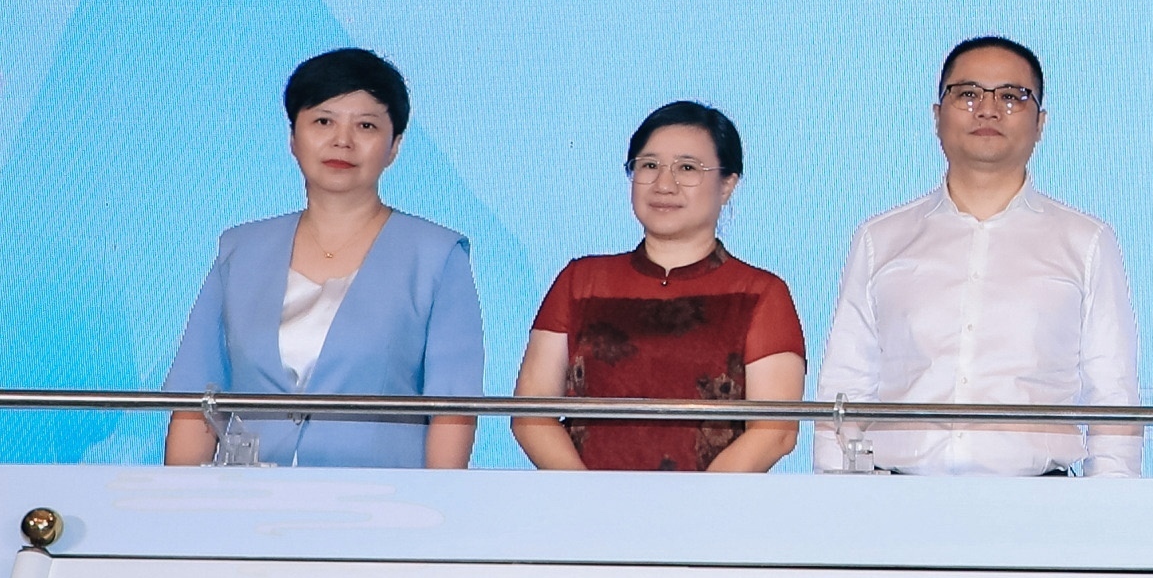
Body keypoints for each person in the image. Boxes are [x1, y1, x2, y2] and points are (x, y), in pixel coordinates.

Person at [816, 34, 1142, 477]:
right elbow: (846, 387)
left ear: (1041, 123)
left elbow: (1112, 394)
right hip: (895, 499)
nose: (988, 109)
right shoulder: (881, 238)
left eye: (1011, 97)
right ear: (937, 116)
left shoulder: (1086, 242)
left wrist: (1110, 505)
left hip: (1039, 502)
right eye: (967, 94)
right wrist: (835, 498)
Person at [164, 47, 484, 469]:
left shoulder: (438, 257)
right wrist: (178, 501)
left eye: (366, 125)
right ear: (293, 139)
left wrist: (438, 502)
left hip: (383, 498)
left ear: (394, 147)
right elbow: (196, 401)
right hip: (248, 497)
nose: (342, 140)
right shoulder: (240, 250)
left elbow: (453, 410)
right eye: (323, 121)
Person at [513, 103, 808, 473]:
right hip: (585, 505)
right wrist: (587, 495)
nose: (664, 184)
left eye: (687, 168)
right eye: (649, 165)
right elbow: (531, 413)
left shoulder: (760, 293)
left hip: (713, 506)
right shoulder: (581, 282)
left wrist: (693, 502)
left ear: (728, 184)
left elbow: (775, 431)